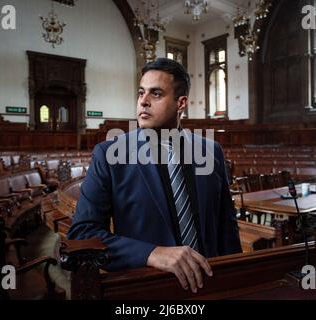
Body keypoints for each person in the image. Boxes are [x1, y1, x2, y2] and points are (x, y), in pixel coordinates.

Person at [68, 58, 241, 293]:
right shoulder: (109, 155)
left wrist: (237, 283)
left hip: (210, 283)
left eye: (156, 94)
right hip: (147, 286)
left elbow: (226, 228)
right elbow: (83, 233)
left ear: (181, 103)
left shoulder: (211, 151)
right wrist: (151, 253)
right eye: (141, 93)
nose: (143, 102)